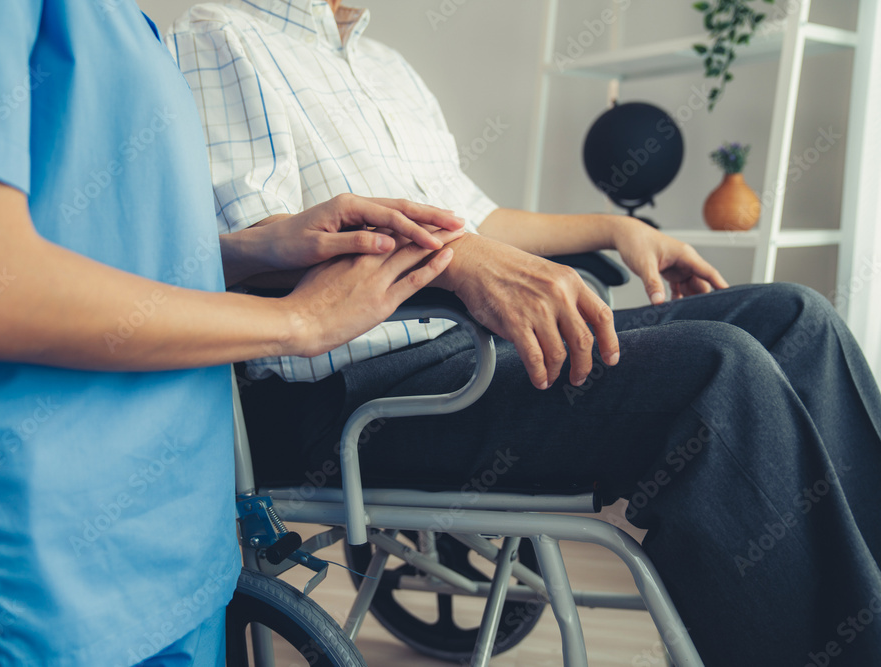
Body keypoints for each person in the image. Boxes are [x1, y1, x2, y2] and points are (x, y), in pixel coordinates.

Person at [168, 1, 881, 664]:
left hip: (469, 353)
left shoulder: (387, 67)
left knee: (795, 318)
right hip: (354, 391)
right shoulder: (220, 36)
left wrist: (616, 227)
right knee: (715, 374)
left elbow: (477, 222)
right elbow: (259, 243)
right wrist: (459, 262)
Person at [0, 1, 464, 665]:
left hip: (170, 530)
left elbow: (91, 241)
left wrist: (253, 248)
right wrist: (294, 322)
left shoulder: (122, 20)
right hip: (31, 548)